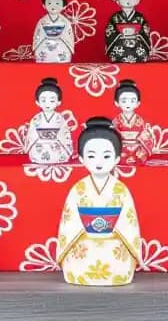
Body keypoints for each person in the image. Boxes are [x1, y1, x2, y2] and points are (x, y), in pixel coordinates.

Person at [55, 117, 142, 286]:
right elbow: (69, 222)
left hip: (113, 245)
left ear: (117, 158)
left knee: (118, 264)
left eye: (107, 155)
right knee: (79, 263)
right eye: (92, 156)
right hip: (84, 246)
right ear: (81, 159)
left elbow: (129, 223)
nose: (99, 162)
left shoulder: (121, 190)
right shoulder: (78, 190)